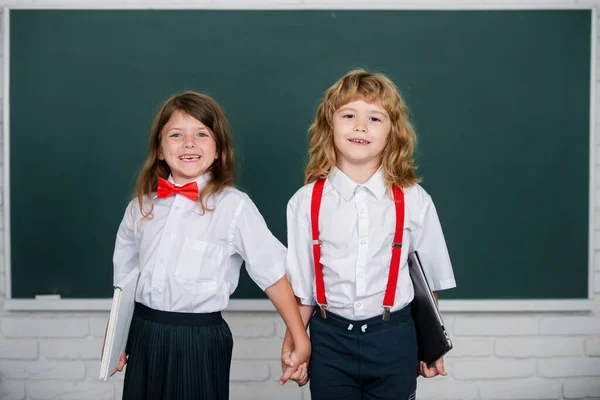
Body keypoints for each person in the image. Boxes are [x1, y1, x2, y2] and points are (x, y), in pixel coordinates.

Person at [108, 91, 310, 399]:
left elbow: (272, 274)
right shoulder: (141, 207)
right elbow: (125, 281)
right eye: (176, 135)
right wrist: (116, 340)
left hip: (200, 339)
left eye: (201, 134)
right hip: (144, 333)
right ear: (160, 149)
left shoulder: (234, 207)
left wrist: (300, 339)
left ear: (218, 150)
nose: (189, 143)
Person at [281, 69, 456, 399]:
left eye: (375, 118)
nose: (360, 126)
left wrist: (433, 344)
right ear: (329, 125)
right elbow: (303, 288)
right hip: (329, 339)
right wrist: (293, 343)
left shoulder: (414, 200)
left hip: (395, 338)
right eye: (348, 115)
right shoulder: (305, 203)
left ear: (393, 133)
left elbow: (427, 282)